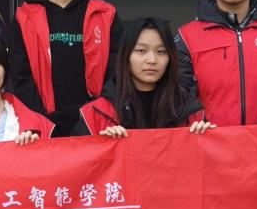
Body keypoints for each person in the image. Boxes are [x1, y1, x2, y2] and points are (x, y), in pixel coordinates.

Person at [10, 0, 124, 137]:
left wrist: (94, 115)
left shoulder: (105, 14)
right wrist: (40, 122)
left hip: (95, 125)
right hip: (42, 128)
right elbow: (20, 77)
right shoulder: (25, 17)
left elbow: (117, 73)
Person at [75, 18, 215, 137]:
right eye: (141, 50)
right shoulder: (98, 113)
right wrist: (103, 145)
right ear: (125, 56)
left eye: (161, 51)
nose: (152, 60)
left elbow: (207, 159)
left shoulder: (191, 112)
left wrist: (205, 139)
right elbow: (77, 157)